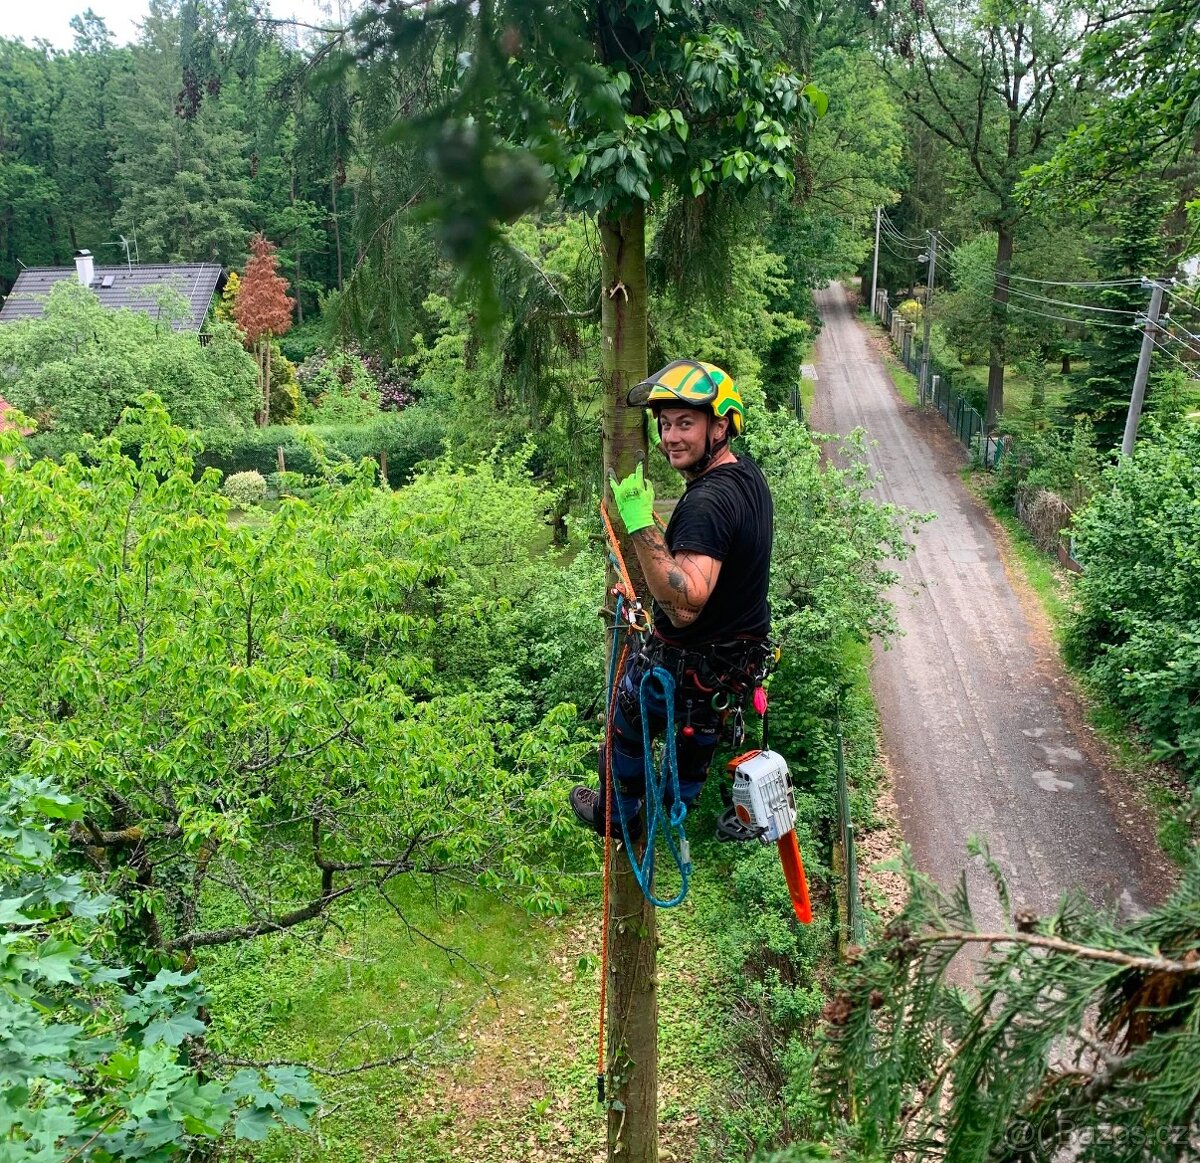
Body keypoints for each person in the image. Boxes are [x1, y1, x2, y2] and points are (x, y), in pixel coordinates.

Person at [570, 359, 774, 841]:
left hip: (686, 664)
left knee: (627, 720)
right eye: (664, 425)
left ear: (719, 425)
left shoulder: (706, 503)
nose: (670, 438)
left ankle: (616, 815)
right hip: (728, 668)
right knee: (690, 748)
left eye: (686, 423)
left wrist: (640, 522)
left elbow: (685, 606)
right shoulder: (746, 478)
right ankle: (672, 812)